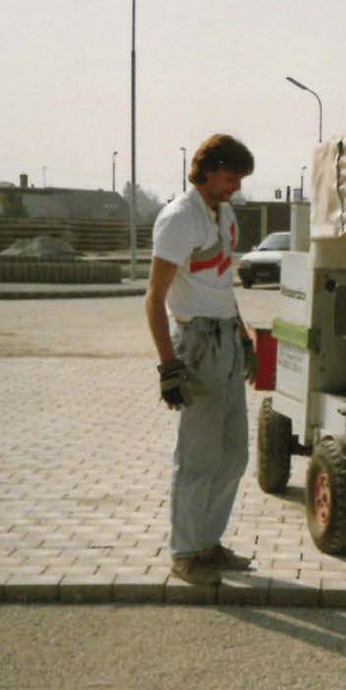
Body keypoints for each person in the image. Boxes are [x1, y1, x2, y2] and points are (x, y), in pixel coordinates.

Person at [144, 133, 256, 586]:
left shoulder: (224, 214)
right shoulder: (179, 218)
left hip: (227, 336)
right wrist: (169, 366)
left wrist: (243, 333)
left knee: (233, 454)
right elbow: (153, 298)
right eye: (231, 178)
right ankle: (185, 552)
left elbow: (223, 283)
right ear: (207, 170)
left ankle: (208, 543)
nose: (236, 188)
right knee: (198, 456)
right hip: (197, 341)